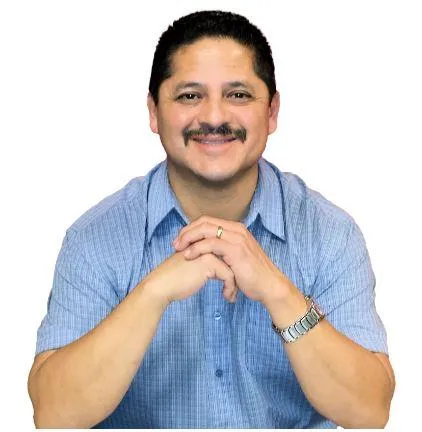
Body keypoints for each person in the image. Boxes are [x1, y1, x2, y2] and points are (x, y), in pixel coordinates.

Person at [27, 10, 395, 429]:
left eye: (238, 95)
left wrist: (279, 293)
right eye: (189, 96)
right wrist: (151, 294)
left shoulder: (329, 234)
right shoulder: (96, 238)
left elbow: (370, 411)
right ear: (153, 112)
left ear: (272, 111)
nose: (215, 117)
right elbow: (53, 415)